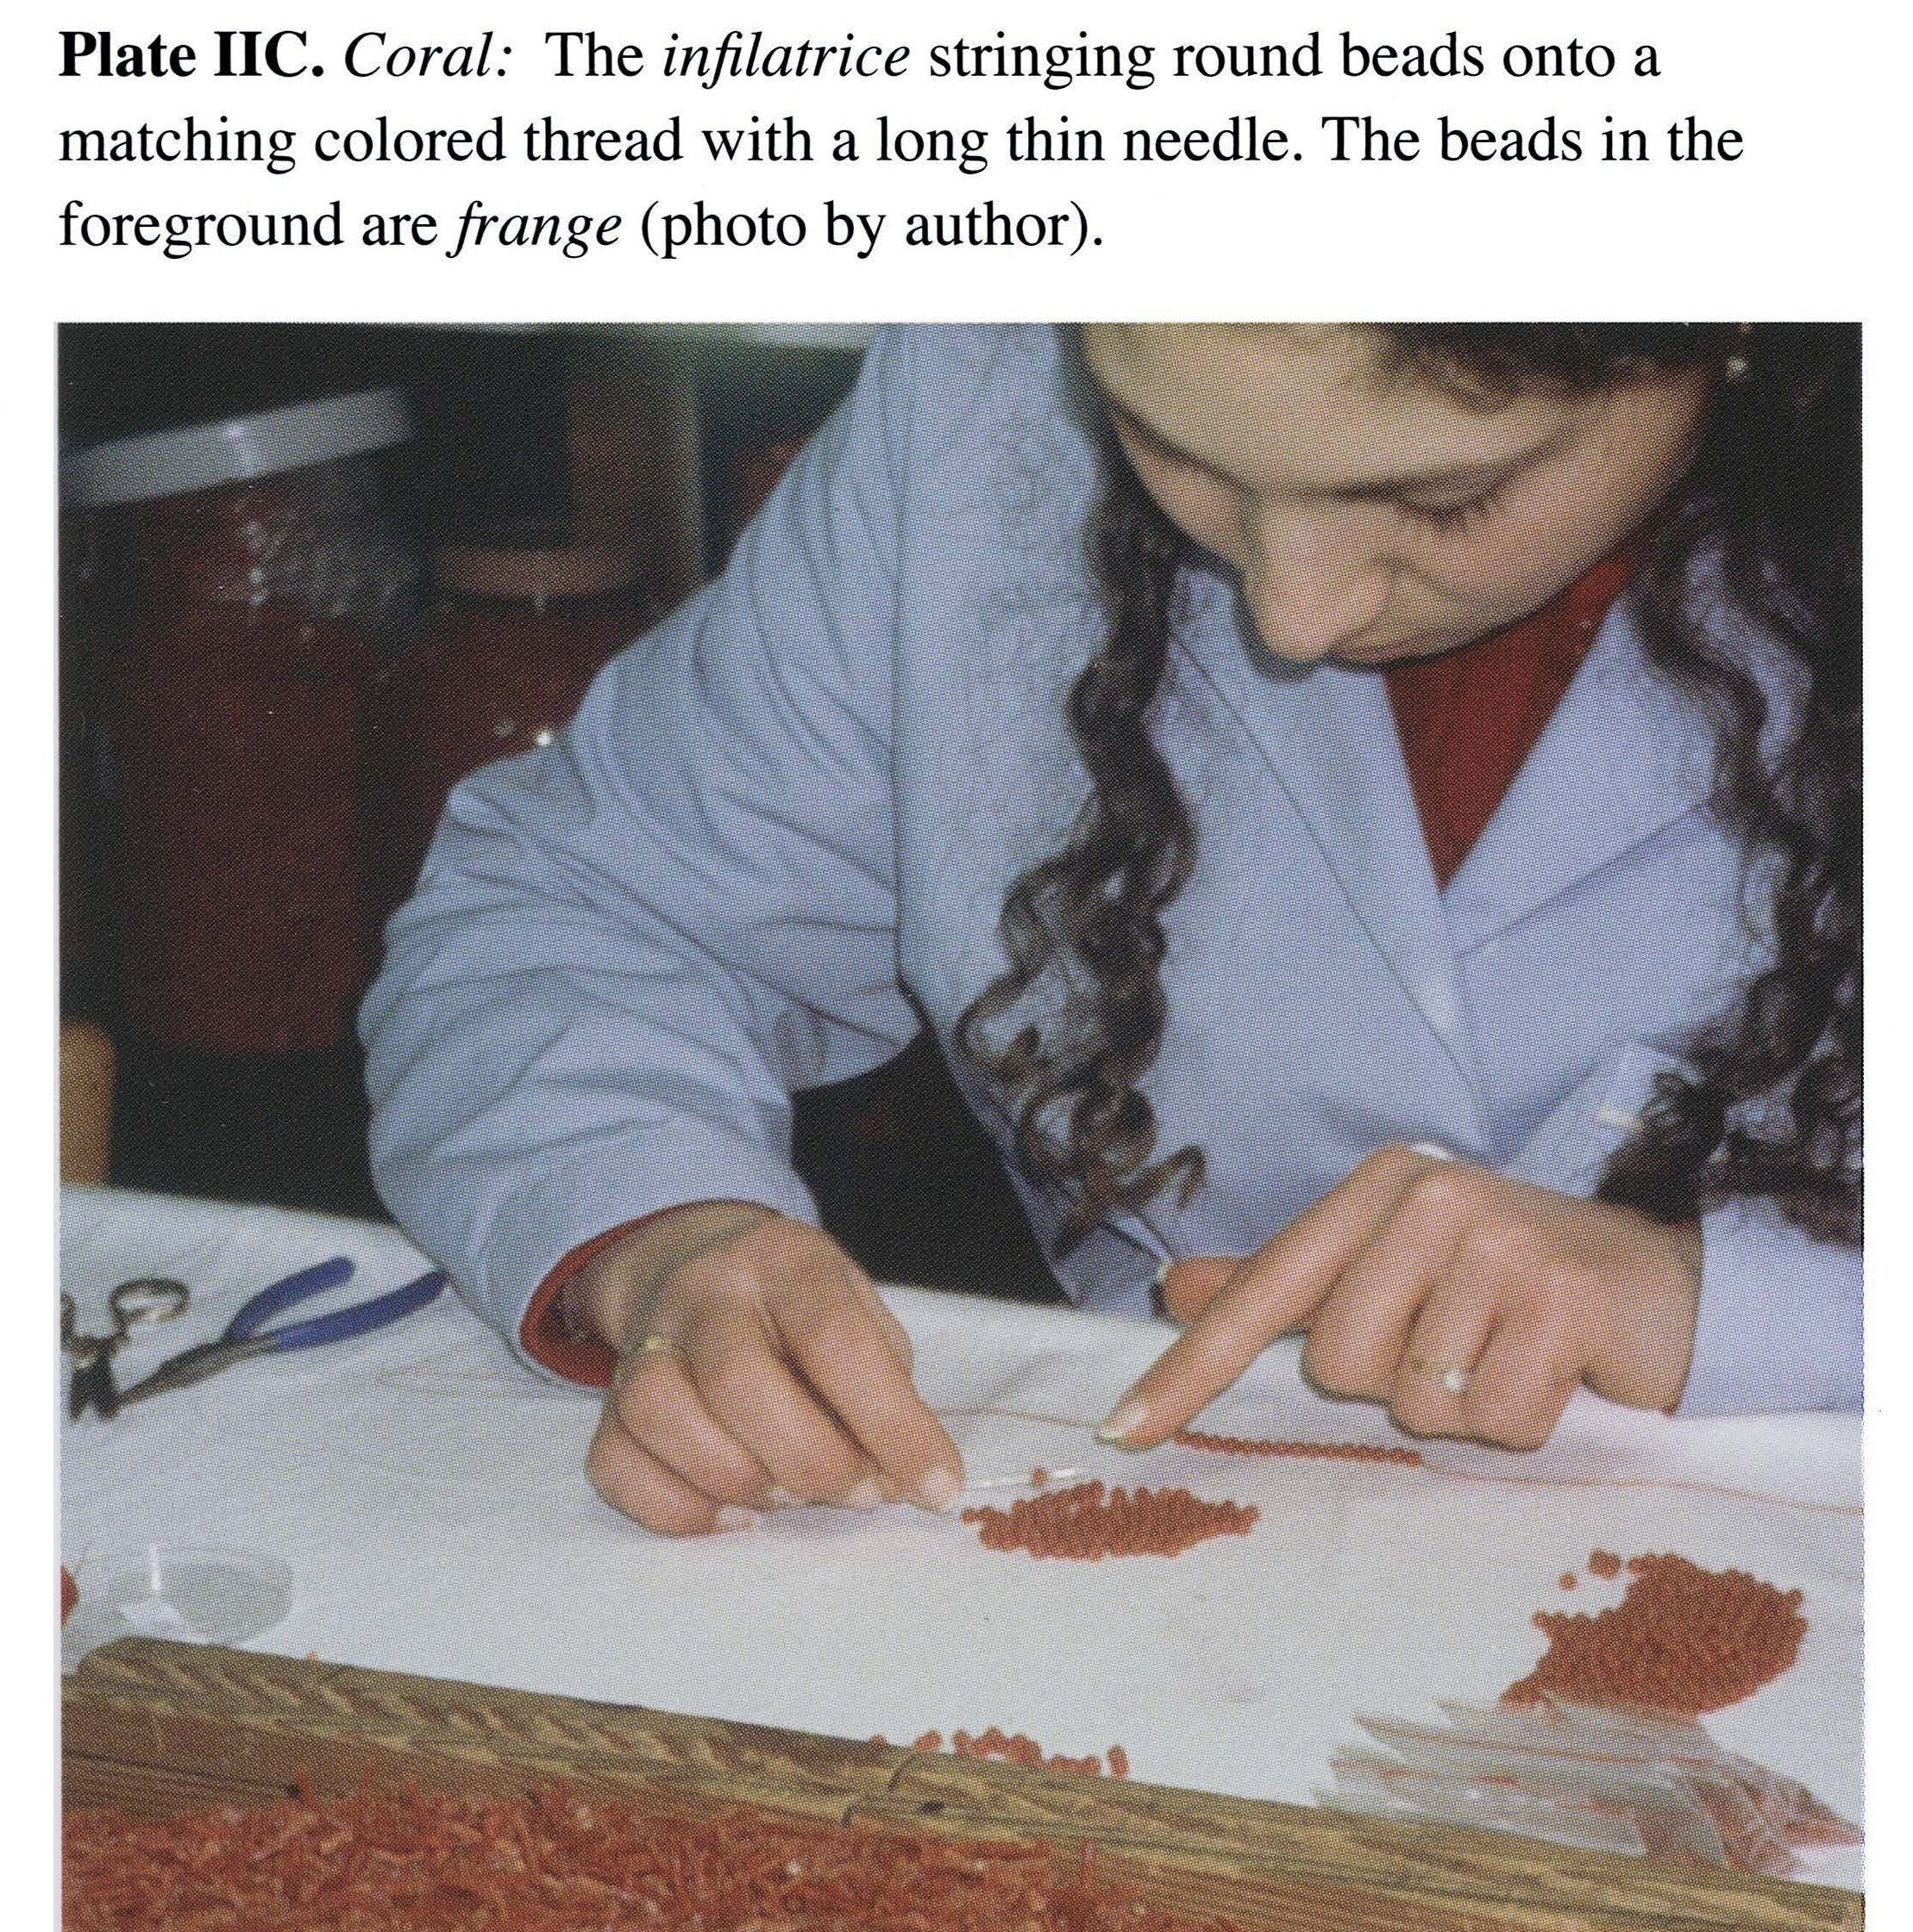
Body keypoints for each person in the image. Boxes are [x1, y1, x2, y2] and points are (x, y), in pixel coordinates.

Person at [363, 323, 1861, 1535]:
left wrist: (1723, 1304)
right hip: (1193, 1558)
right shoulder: (981, 386)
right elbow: (588, 906)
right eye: (1174, 450)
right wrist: (659, 1225)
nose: (1294, 612)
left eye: (1440, 499)